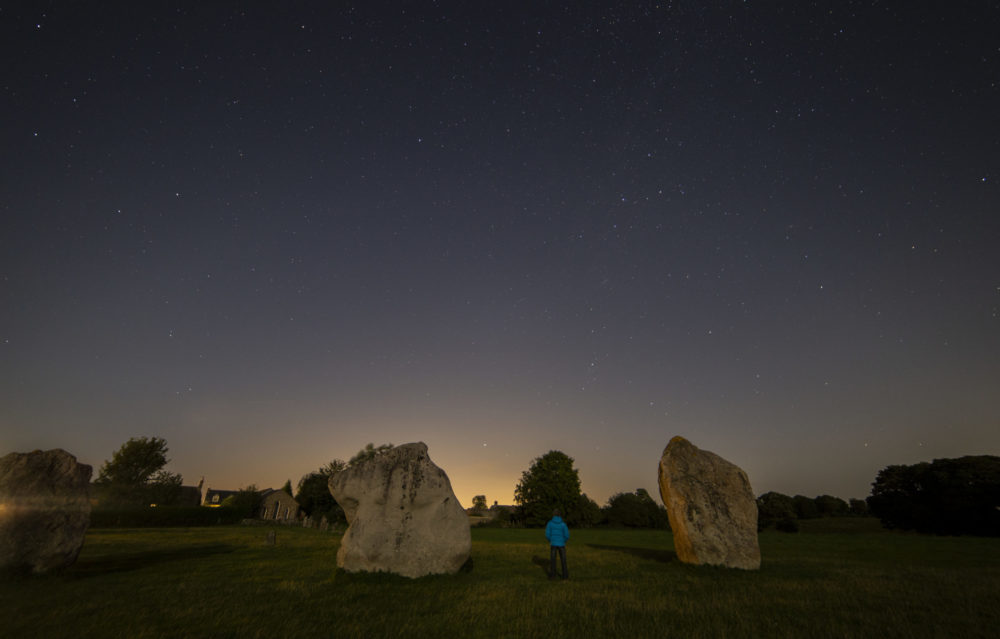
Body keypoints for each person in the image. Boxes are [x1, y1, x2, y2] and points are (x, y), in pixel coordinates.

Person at [545, 508, 570, 580]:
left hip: (553, 544)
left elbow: (547, 534)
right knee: (563, 560)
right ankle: (565, 576)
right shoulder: (563, 524)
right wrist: (563, 541)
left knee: (553, 561)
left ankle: (553, 576)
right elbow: (567, 535)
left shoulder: (550, 523)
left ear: (553, 514)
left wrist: (551, 540)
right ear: (560, 515)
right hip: (562, 544)